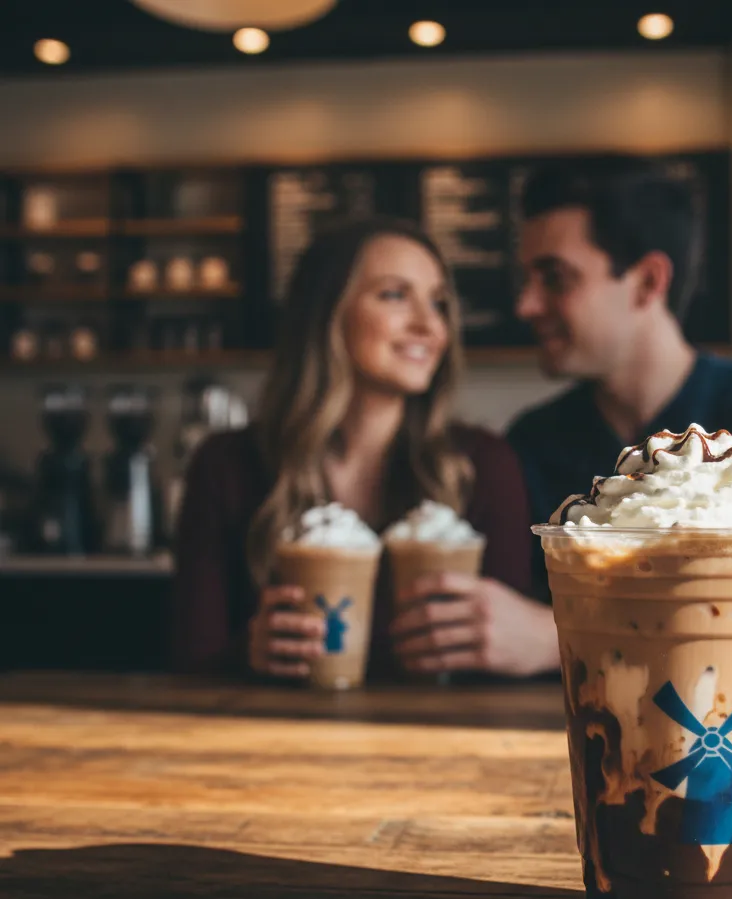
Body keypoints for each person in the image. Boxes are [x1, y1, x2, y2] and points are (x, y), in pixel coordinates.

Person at [503, 159, 732, 683]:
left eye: (555, 278)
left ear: (648, 281)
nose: (525, 305)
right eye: (527, 279)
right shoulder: (532, 440)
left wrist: (549, 634)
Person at [172, 218, 556, 680]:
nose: (429, 325)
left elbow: (501, 670)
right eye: (394, 295)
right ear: (327, 313)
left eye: (438, 303)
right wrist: (249, 652)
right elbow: (188, 663)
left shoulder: (482, 466)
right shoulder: (227, 467)